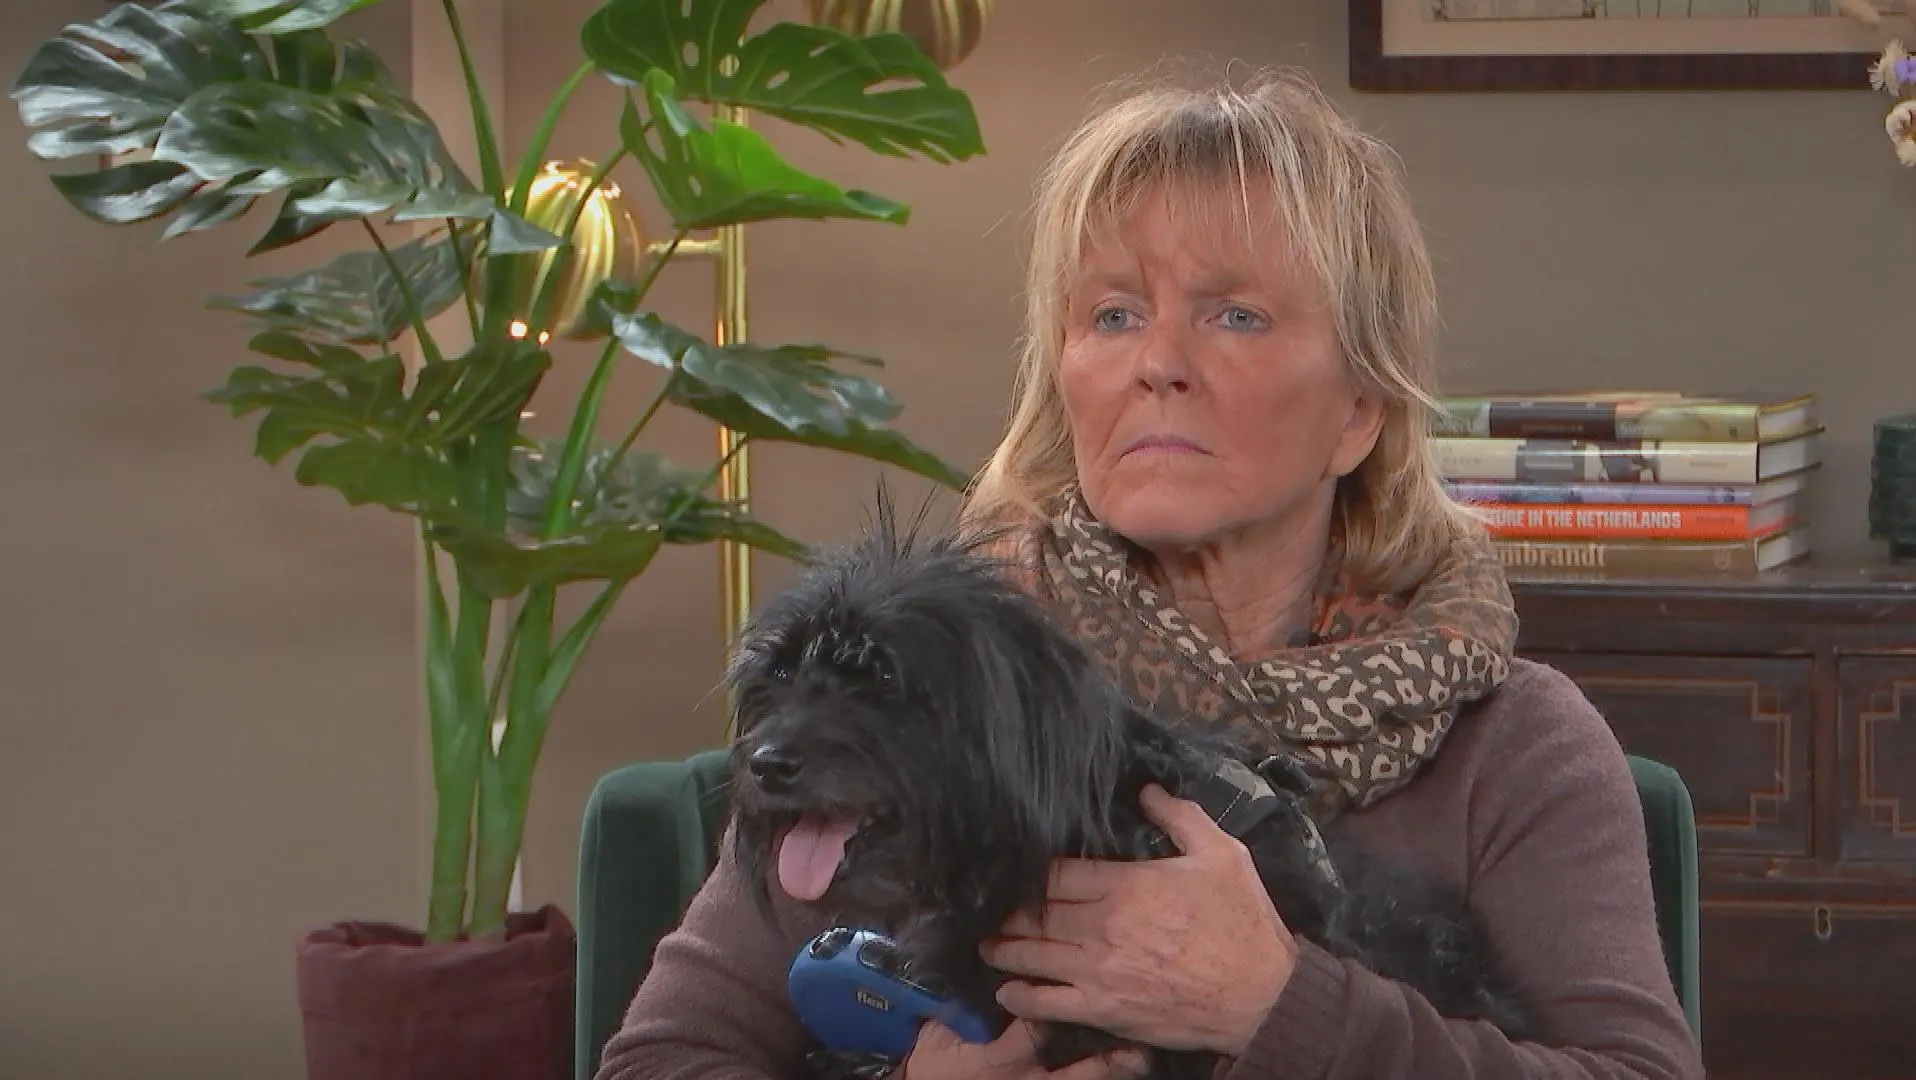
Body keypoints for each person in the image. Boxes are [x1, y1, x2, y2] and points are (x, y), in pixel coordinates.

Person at [594, 67, 1706, 1080]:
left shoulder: (1515, 745)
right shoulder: (926, 692)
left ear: (1358, 412)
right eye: (1114, 315)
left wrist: (1278, 1002)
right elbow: (658, 1064)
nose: (1159, 364)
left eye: (1234, 315)